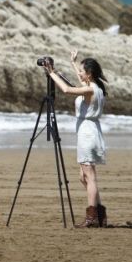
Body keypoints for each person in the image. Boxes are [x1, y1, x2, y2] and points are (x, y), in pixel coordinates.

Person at [44, 50, 108, 228]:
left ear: (89, 74)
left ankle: (92, 217)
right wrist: (72, 62)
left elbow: (66, 89)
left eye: (82, 71)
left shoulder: (90, 89)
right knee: (83, 177)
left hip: (88, 134)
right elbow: (79, 81)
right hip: (88, 132)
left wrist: (51, 74)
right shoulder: (95, 86)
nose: (79, 73)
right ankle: (100, 213)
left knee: (90, 176)